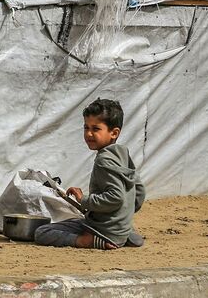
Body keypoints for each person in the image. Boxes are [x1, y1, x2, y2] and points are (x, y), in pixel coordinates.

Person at [34, 98, 145, 250]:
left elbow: (116, 197)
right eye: (86, 128)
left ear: (114, 133)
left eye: (96, 129)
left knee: (42, 232)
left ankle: (87, 241)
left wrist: (83, 200)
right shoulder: (122, 154)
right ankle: (122, 235)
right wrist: (121, 219)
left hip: (103, 230)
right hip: (121, 230)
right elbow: (139, 191)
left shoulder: (103, 160)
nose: (89, 134)